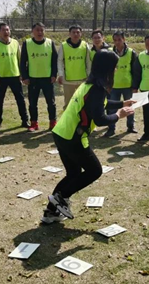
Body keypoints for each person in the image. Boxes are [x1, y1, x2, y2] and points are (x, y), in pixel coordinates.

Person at [42, 50, 135, 223]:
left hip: (61, 134)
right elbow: (100, 118)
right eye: (114, 67)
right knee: (94, 170)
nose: (115, 70)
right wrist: (118, 115)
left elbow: (99, 105)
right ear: (107, 68)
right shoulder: (97, 90)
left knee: (73, 173)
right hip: (73, 137)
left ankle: (50, 213)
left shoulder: (89, 85)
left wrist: (122, 103)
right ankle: (60, 197)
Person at [0, 23, 29, 130]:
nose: (6, 32)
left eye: (7, 30)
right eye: (3, 30)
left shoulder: (15, 43)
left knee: (20, 99)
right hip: (2, 77)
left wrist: (22, 74)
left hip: (15, 76)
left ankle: (25, 120)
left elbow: (20, 60)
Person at [20, 22, 58, 132]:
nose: (40, 32)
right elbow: (23, 62)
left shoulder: (50, 43)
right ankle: (34, 123)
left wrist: (54, 74)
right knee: (33, 103)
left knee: (51, 102)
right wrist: (25, 77)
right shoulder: (27, 43)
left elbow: (54, 61)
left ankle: (53, 122)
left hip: (47, 78)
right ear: (33, 31)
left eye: (42, 30)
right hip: (33, 79)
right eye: (37, 30)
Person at [104, 31, 138, 137]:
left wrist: (135, 86)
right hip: (114, 86)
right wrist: (107, 84)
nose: (117, 42)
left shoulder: (131, 53)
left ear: (124, 39)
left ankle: (130, 126)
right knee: (112, 109)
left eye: (119, 39)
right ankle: (111, 128)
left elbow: (135, 71)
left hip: (128, 86)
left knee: (130, 107)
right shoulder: (109, 52)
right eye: (115, 40)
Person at [57, 25, 91, 109]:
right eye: (73, 32)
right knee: (68, 104)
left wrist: (89, 75)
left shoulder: (85, 45)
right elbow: (60, 61)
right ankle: (67, 118)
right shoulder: (63, 45)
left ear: (81, 34)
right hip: (68, 80)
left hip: (82, 80)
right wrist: (60, 74)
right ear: (69, 34)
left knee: (83, 103)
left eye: (78, 32)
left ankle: (82, 118)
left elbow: (88, 61)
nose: (76, 34)